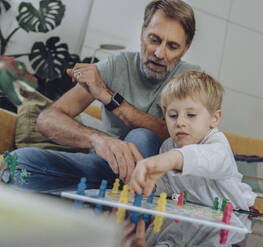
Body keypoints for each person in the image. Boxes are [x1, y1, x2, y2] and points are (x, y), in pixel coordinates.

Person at [0, 0, 200, 192]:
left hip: (158, 178)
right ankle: (119, 192)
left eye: (172, 46)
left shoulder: (190, 79)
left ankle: (130, 191)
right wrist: (99, 140)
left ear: (186, 48)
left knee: (143, 137)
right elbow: (47, 120)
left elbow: (180, 136)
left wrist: (109, 98)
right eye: (154, 39)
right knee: (20, 162)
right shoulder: (116, 65)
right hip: (102, 167)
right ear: (142, 32)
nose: (159, 53)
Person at [130, 71, 256, 211]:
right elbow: (167, 187)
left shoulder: (218, 144)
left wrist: (171, 159)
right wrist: (150, 186)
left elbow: (206, 158)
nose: (180, 122)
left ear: (214, 118)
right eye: (172, 115)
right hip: (193, 214)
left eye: (191, 115)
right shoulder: (167, 147)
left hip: (233, 214)